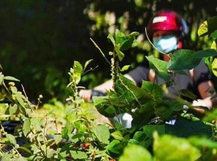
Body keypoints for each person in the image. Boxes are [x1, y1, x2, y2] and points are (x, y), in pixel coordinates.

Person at [79, 10, 215, 109]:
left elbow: (211, 97)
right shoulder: (150, 69)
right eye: (157, 35)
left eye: (166, 34)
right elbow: (120, 82)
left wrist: (196, 106)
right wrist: (91, 92)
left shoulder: (194, 65)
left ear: (179, 35)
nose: (161, 38)